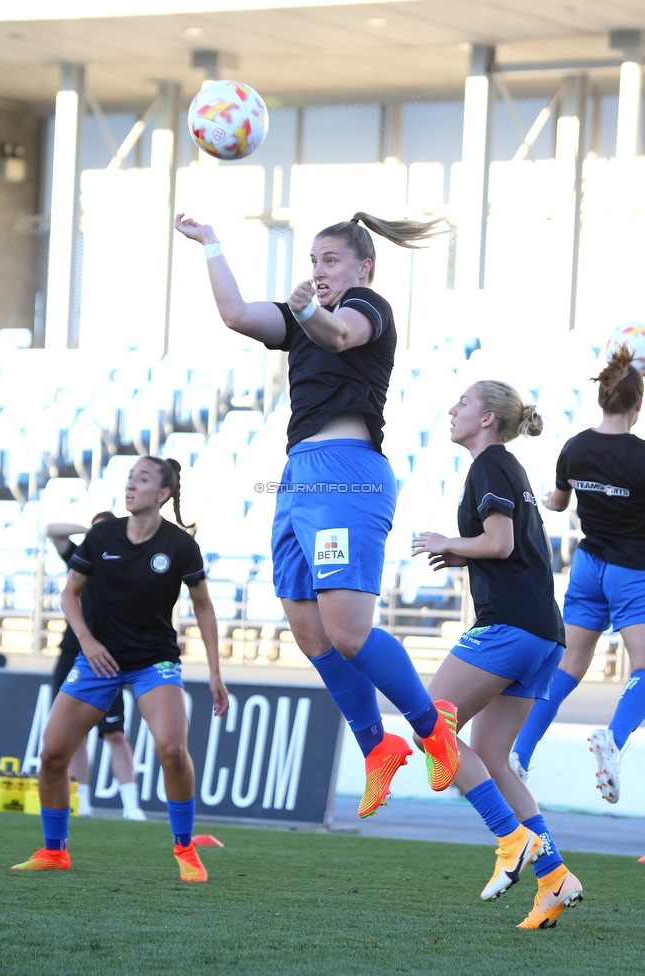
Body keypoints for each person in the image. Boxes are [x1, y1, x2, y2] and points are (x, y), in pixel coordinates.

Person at [174, 210, 459, 817]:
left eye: (330, 261)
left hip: (347, 475)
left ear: (363, 266)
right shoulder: (303, 313)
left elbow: (337, 336)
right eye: (313, 261)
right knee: (310, 632)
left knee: (348, 632)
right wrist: (211, 242)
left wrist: (308, 309)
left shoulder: (367, 306)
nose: (320, 271)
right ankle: (376, 746)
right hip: (298, 477)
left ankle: (433, 726)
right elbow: (234, 314)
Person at [412, 381, 583, 930]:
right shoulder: (506, 466)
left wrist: (449, 542)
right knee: (489, 751)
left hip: (509, 627)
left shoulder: (489, 466)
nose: (451, 408)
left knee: (428, 720)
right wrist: (463, 557)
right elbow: (511, 549)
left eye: (460, 403)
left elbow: (501, 542)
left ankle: (509, 841)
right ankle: (555, 878)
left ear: (487, 419)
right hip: (543, 634)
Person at [12, 457, 229, 882]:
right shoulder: (101, 535)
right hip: (98, 661)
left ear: (163, 494)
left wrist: (216, 673)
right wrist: (88, 643)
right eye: (129, 478)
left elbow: (204, 608)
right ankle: (55, 851)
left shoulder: (180, 546)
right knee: (53, 754)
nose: (130, 485)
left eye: (142, 479)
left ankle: (185, 848)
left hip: (155, 661)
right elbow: (69, 596)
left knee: (172, 750)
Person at [512, 346, 645, 805]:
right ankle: (615, 738)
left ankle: (520, 752)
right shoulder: (642, 457)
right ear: (638, 404)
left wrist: (552, 500)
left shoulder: (575, 448)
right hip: (631, 570)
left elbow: (559, 501)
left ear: (602, 399)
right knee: (644, 669)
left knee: (568, 666)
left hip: (588, 567)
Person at [47, 514, 146, 821]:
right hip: (71, 655)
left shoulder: (126, 564)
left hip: (106, 659)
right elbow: (52, 529)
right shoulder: (82, 560)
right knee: (73, 735)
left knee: (114, 732)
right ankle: (82, 802)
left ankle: (131, 806)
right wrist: (90, 529)